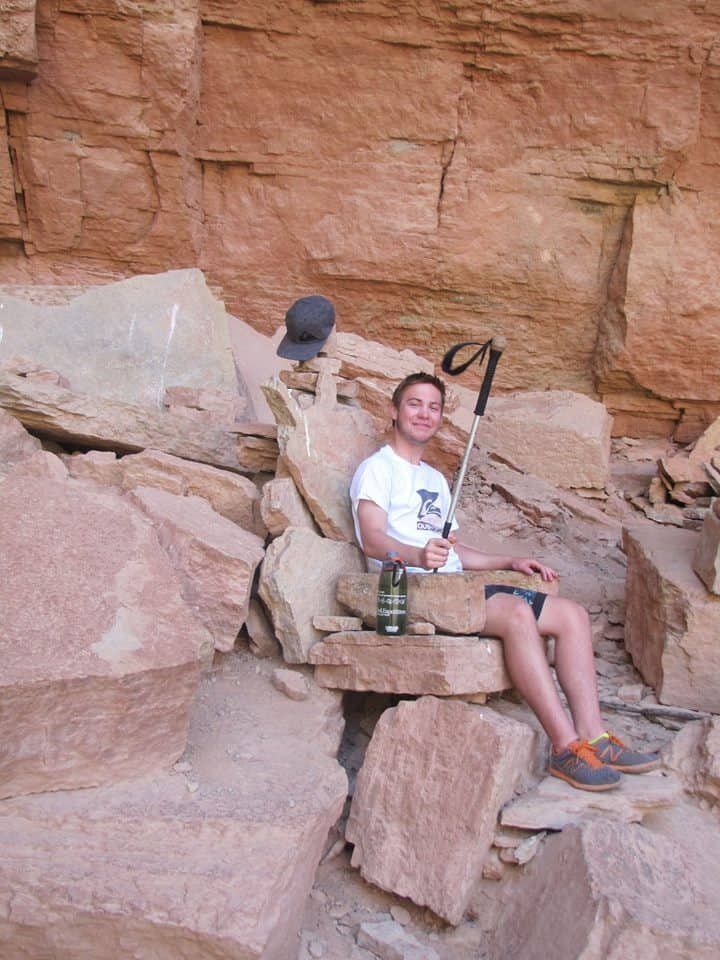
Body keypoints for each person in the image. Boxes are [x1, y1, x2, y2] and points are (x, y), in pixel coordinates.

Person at [350, 371, 660, 792]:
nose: (425, 414)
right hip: (408, 589)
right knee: (517, 614)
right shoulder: (376, 469)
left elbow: (456, 555)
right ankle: (565, 747)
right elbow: (372, 539)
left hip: (452, 588)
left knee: (570, 616)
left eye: (434, 406)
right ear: (394, 410)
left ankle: (595, 738)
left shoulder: (436, 480)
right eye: (414, 403)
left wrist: (510, 561)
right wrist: (417, 554)